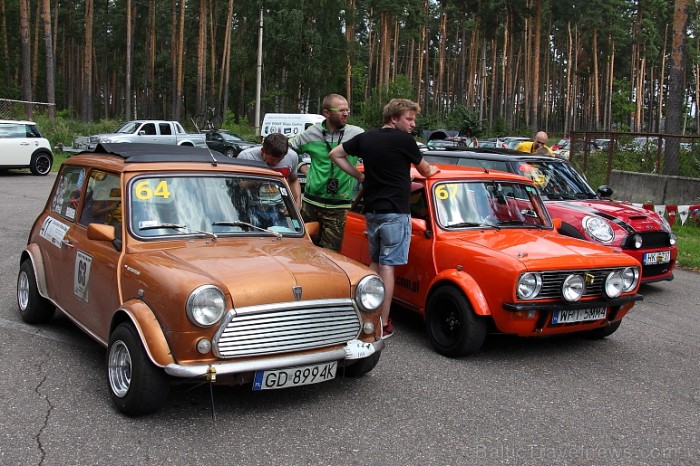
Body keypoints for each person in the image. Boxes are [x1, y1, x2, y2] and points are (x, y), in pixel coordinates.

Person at [329, 98, 439, 338]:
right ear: (394, 118)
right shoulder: (404, 140)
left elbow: (335, 154)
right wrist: (432, 171)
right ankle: (383, 321)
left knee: (375, 263)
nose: (413, 124)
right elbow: (426, 170)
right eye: (409, 119)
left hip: (372, 212)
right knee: (388, 266)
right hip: (395, 213)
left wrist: (359, 178)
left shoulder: (366, 138)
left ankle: (366, 315)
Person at [288, 93, 364, 251]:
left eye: (347, 110)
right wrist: (302, 167)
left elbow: (376, 154)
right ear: (327, 113)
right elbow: (287, 149)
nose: (346, 114)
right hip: (311, 203)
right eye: (341, 110)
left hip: (339, 206)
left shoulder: (357, 134)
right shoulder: (311, 133)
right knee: (303, 249)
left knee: (330, 254)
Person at [238, 133, 301, 209]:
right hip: (252, 206)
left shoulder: (292, 156)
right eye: (272, 159)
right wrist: (255, 181)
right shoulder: (246, 157)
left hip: (279, 207)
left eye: (279, 160)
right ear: (263, 151)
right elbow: (236, 185)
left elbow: (293, 180)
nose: (275, 163)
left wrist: (297, 203)